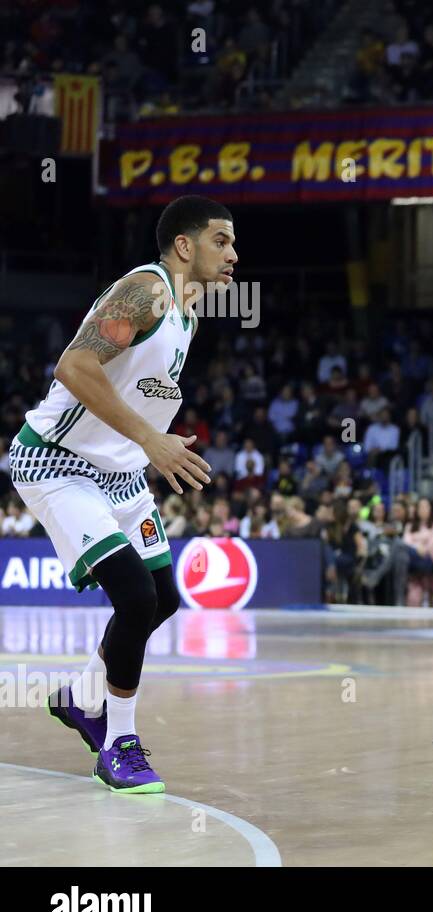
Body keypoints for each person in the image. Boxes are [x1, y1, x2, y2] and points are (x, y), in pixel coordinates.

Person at [9, 194, 232, 792]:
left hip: (118, 471)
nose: (233, 254)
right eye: (221, 240)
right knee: (134, 597)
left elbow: (136, 390)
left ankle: (82, 698)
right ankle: (119, 744)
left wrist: (151, 443)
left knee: (162, 598)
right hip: (58, 463)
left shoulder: (188, 309)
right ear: (184, 245)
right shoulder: (146, 291)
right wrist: (152, 441)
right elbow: (74, 369)